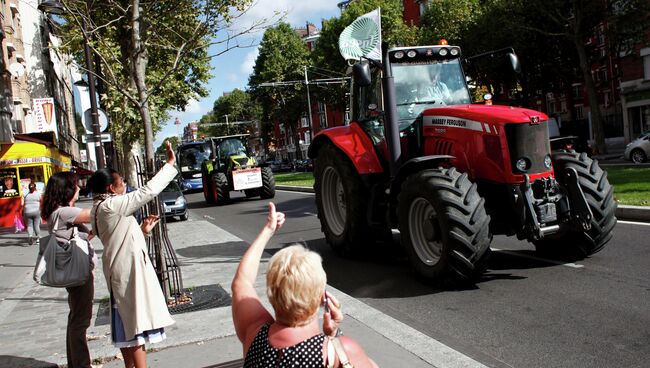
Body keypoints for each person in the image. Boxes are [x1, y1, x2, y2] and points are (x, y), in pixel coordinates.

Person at [232, 202, 378, 368]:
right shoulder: (340, 352)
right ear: (322, 297)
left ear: (272, 293)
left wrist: (268, 230)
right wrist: (334, 335)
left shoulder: (254, 334)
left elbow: (242, 282)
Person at [87, 141, 177, 368]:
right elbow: (147, 192)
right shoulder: (111, 205)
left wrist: (143, 232)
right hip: (128, 272)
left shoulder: (99, 206)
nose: (124, 185)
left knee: (129, 325)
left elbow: (119, 237)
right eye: (121, 183)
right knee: (135, 326)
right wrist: (169, 165)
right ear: (111, 188)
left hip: (122, 269)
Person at [41, 172, 95, 368]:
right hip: (78, 275)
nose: (79, 188)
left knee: (75, 318)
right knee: (81, 320)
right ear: (67, 189)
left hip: (74, 272)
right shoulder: (65, 212)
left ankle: (76, 362)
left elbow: (83, 236)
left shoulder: (57, 212)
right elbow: (96, 214)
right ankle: (81, 364)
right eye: (75, 185)